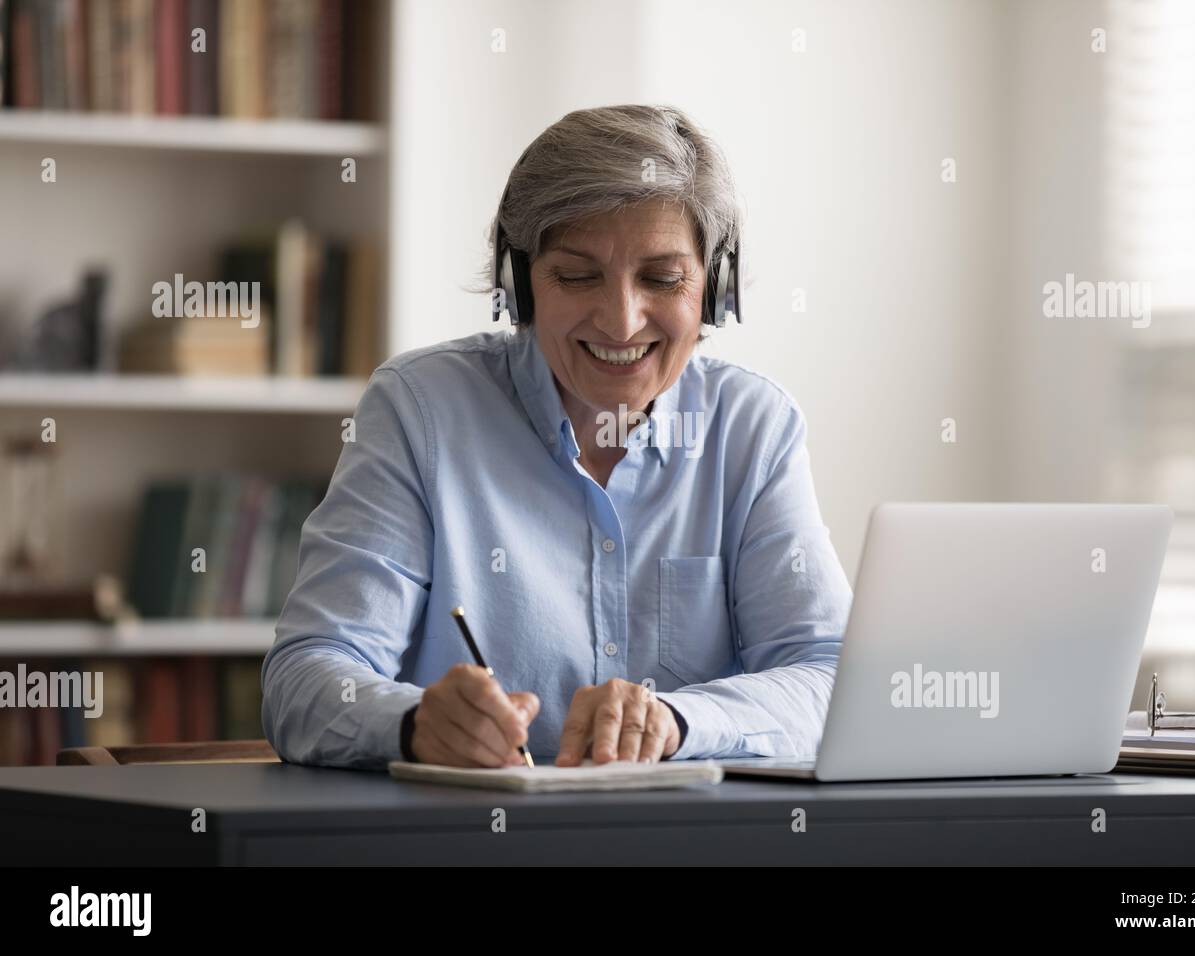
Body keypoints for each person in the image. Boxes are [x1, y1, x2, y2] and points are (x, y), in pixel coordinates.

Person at [261, 104, 852, 769]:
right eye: (576, 275)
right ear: (521, 284)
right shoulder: (421, 410)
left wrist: (679, 721)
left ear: (714, 288)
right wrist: (412, 723)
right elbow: (306, 679)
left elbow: (828, 679)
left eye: (661, 279)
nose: (622, 321)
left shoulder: (752, 429)